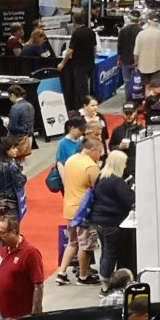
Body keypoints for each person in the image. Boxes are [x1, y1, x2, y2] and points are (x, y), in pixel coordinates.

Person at [54, 138, 102, 285]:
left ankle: (61, 273)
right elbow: (99, 189)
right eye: (99, 152)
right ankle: (83, 276)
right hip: (84, 212)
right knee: (85, 245)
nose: (100, 155)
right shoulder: (91, 167)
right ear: (93, 150)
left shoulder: (71, 160)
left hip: (69, 207)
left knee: (72, 242)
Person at [91, 150, 133, 293]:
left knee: (105, 252)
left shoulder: (101, 177)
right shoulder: (117, 181)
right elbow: (130, 201)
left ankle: (104, 281)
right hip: (112, 222)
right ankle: (106, 286)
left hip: (98, 220)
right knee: (110, 253)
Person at [0, 215, 44, 319]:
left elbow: (38, 285)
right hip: (3, 314)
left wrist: (35, 316)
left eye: (1, 233)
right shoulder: (4, 249)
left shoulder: (30, 252)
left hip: (22, 316)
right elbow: (2, 272)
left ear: (13, 232)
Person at [58, 12, 97, 113]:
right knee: (84, 86)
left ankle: (85, 108)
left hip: (79, 65)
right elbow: (94, 48)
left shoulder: (77, 33)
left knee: (81, 89)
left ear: (74, 21)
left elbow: (70, 51)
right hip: (89, 64)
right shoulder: (91, 32)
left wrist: (62, 63)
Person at [133, 12, 160, 89]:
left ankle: (147, 100)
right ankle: (155, 101)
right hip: (157, 65)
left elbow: (136, 53)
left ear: (148, 21)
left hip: (143, 66)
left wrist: (136, 65)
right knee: (156, 88)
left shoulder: (141, 34)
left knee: (146, 87)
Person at [0, 135, 27, 219]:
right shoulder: (11, 165)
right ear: (6, 150)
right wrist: (23, 174)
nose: (16, 150)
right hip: (10, 201)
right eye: (13, 148)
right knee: (12, 228)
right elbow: (20, 182)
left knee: (2, 227)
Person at [55, 117, 86, 186]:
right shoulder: (63, 143)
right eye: (80, 130)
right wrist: (65, 181)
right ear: (72, 128)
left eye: (83, 130)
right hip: (70, 178)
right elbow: (60, 164)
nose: (82, 132)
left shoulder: (83, 140)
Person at [117, 9, 143, 86]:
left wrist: (119, 59)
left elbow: (119, 46)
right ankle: (137, 97)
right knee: (137, 82)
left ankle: (128, 97)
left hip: (125, 60)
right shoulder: (141, 31)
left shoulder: (122, 30)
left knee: (127, 82)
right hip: (138, 62)